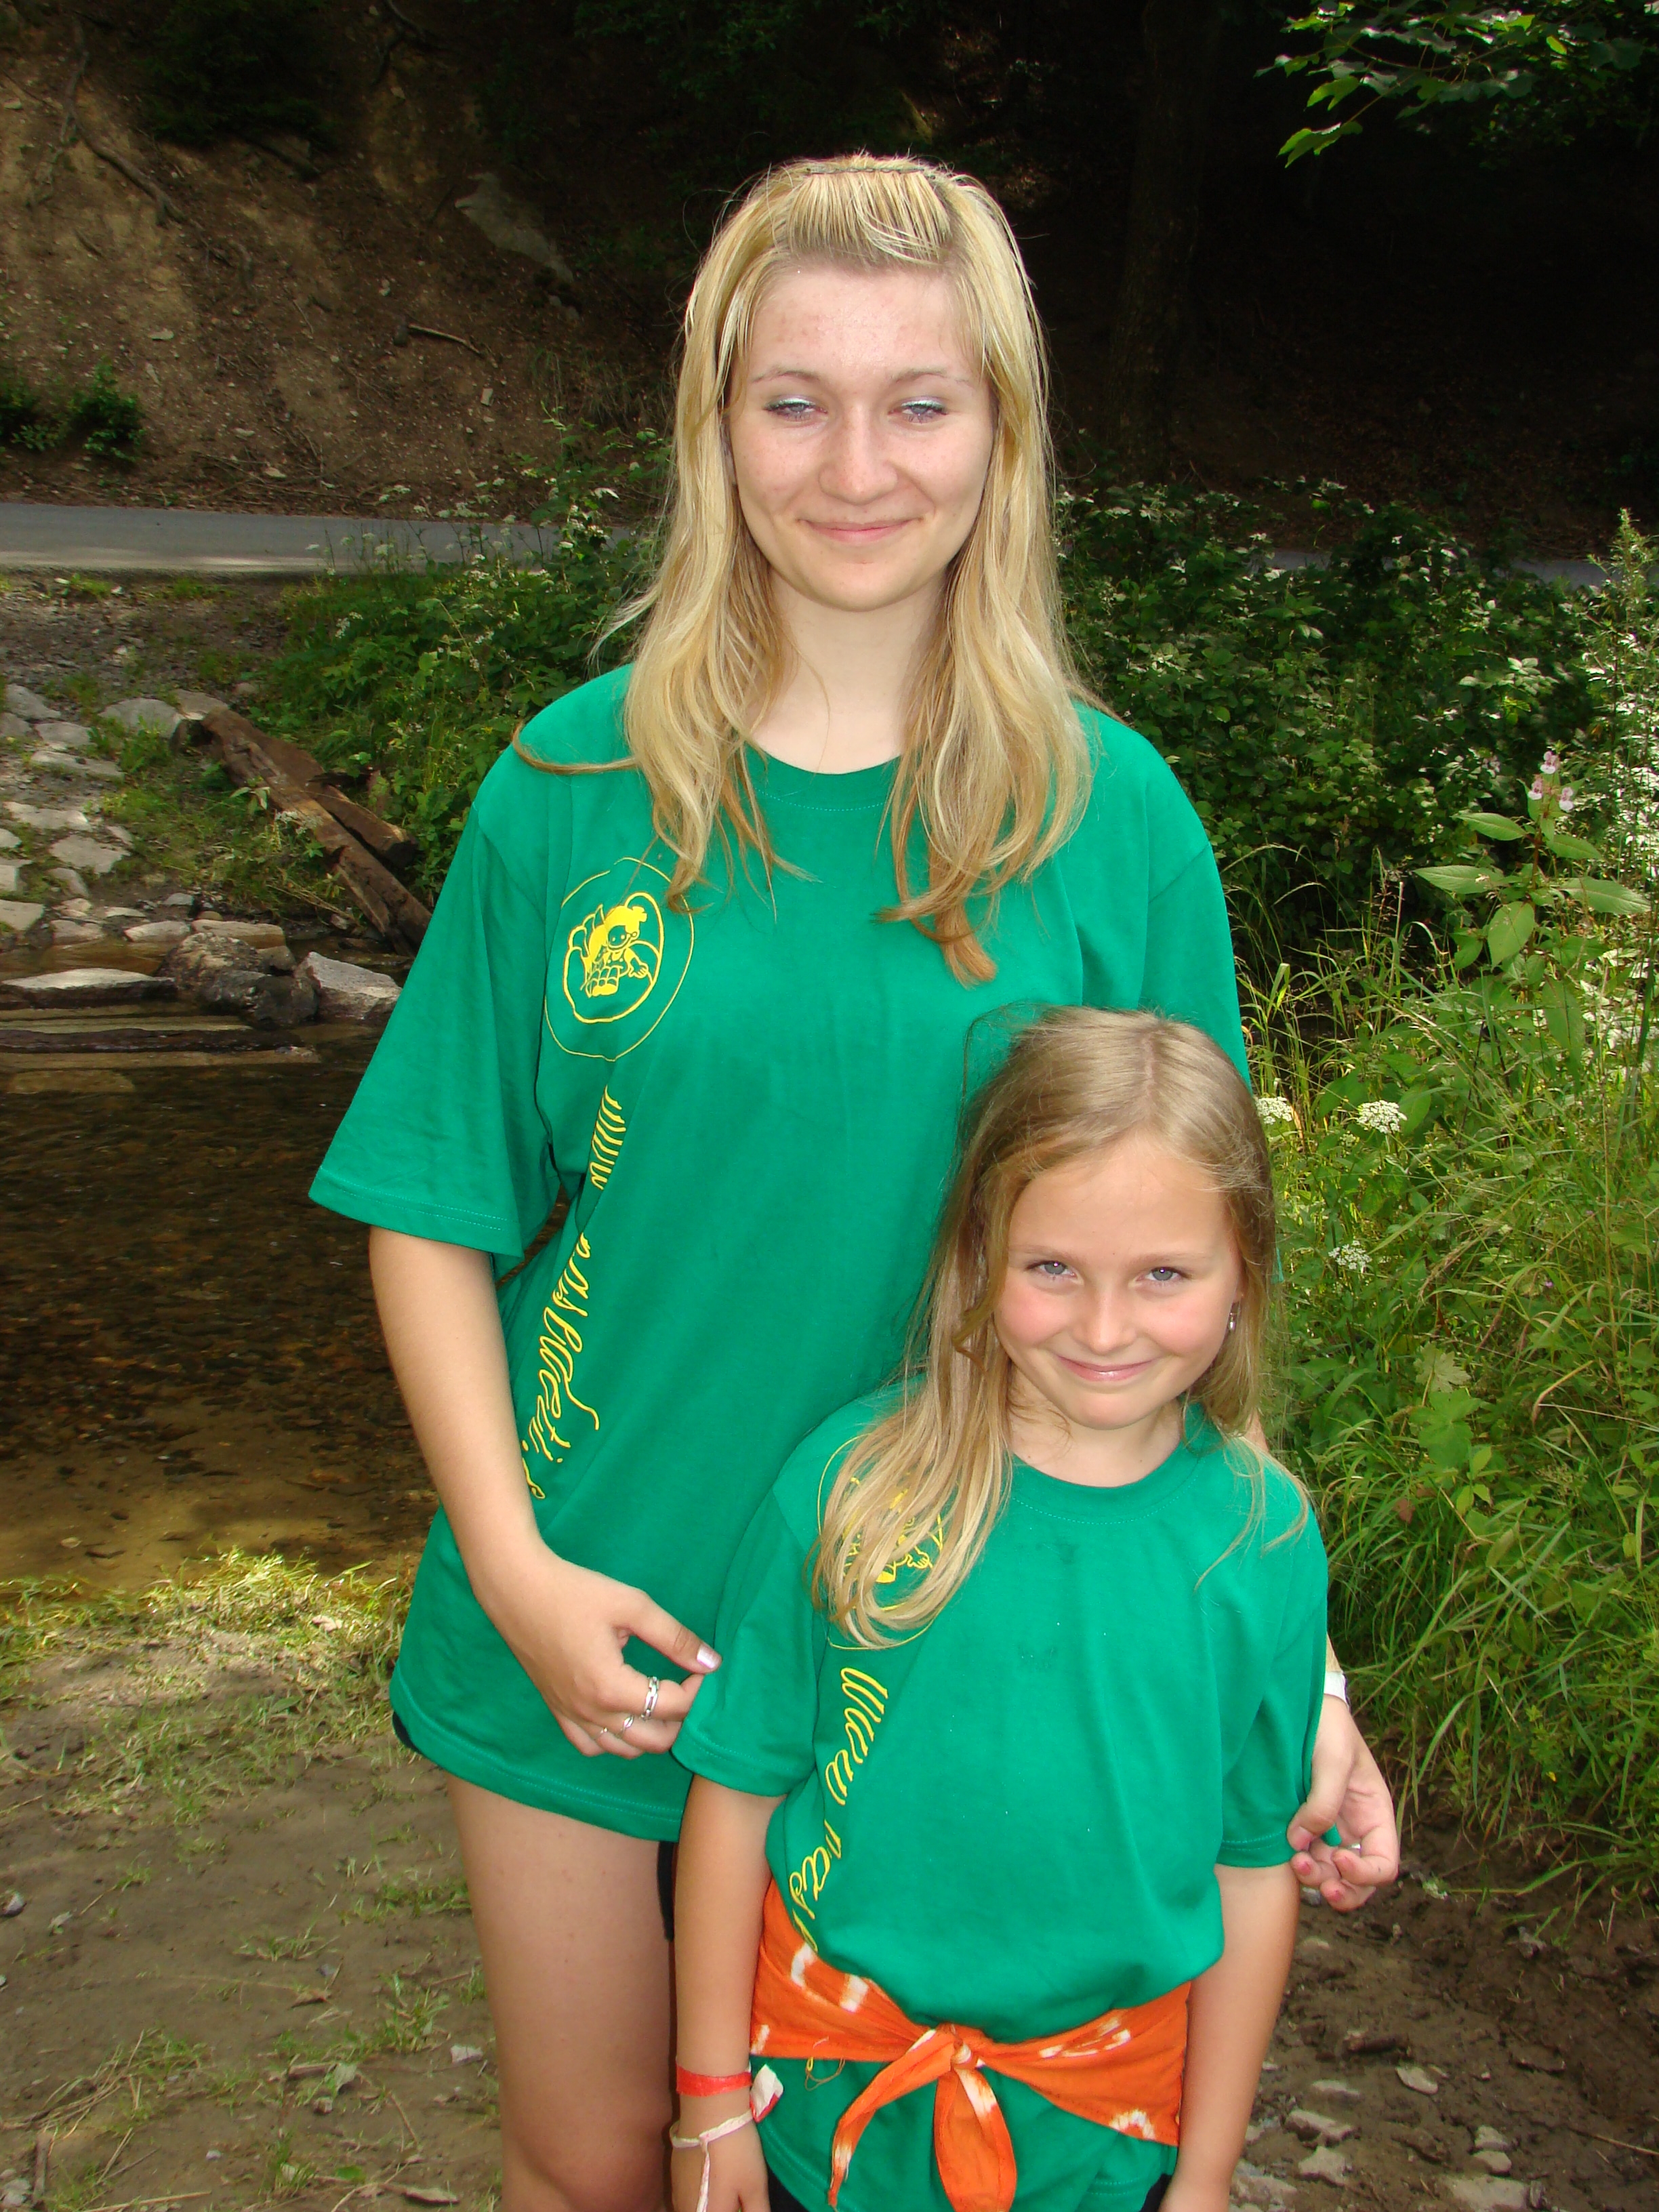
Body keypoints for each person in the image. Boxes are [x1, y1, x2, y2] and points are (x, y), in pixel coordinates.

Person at [308, 155, 1398, 2212]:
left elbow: (1198, 1274)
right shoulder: (574, 787)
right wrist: (518, 1571)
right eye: (794, 400)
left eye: (921, 402)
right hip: (600, 1610)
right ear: (715, 426)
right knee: (598, 2162)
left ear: (1003, 432)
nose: (857, 466)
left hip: (963, 1648)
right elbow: (432, 1208)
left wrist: (1304, 1673)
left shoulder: (1111, 816)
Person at [670, 1007, 1324, 2212]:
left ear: (1246, 1272)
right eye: (1053, 1268)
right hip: (824, 2118)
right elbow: (736, 1793)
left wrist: (1207, 2178)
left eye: (1165, 1275)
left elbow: (1250, 1868)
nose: (1106, 1328)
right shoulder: (854, 1488)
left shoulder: (1264, 1538)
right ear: (979, 1256)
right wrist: (708, 2102)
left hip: (1105, 2144)